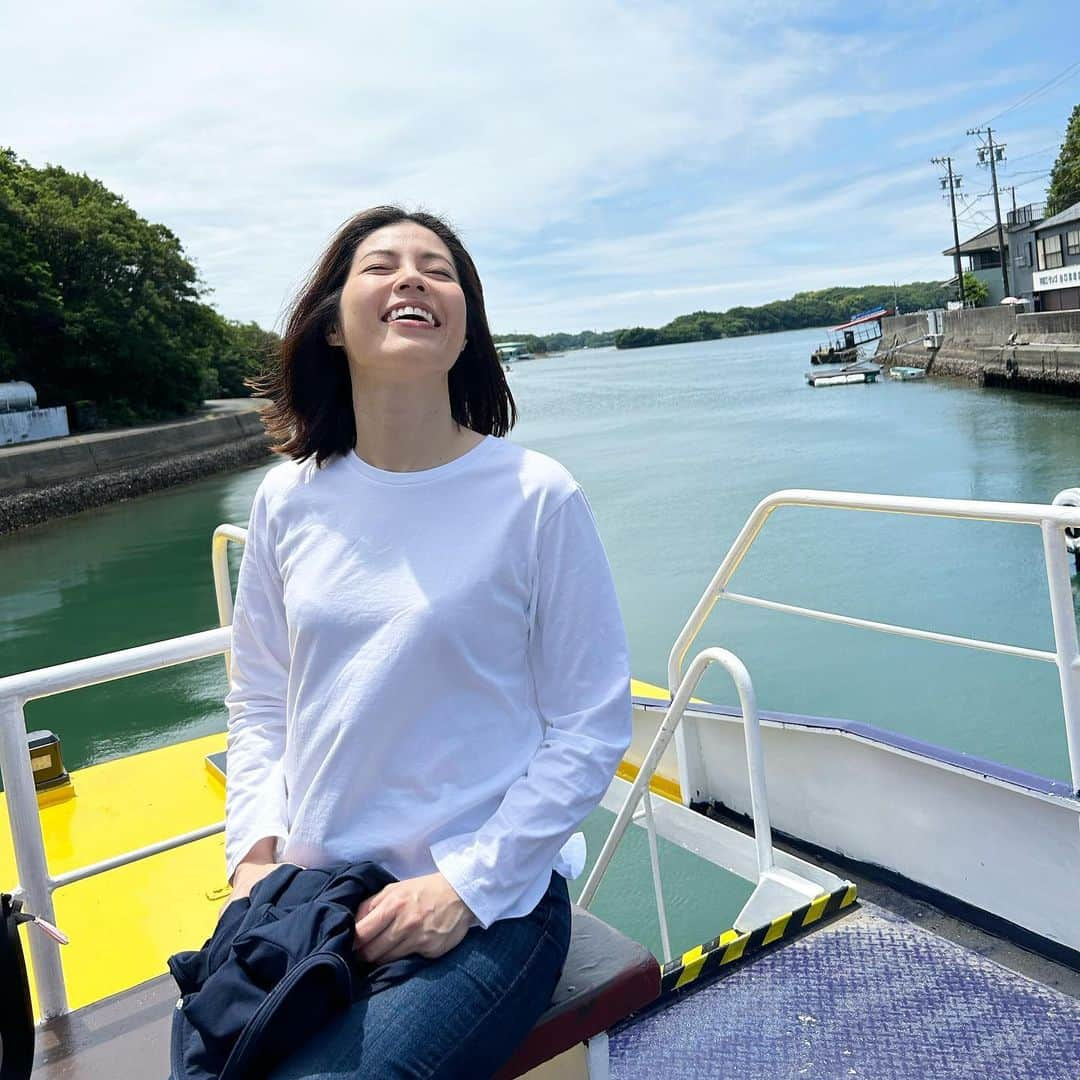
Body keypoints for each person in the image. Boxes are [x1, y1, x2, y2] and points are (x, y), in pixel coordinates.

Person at [220, 205, 632, 1078]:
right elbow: (261, 700)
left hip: (493, 901)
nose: (412, 278)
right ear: (332, 323)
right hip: (318, 896)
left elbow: (590, 725)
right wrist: (252, 855)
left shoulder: (535, 497)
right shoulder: (286, 501)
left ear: (465, 324)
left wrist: (465, 888)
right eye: (382, 265)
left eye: (438, 269)